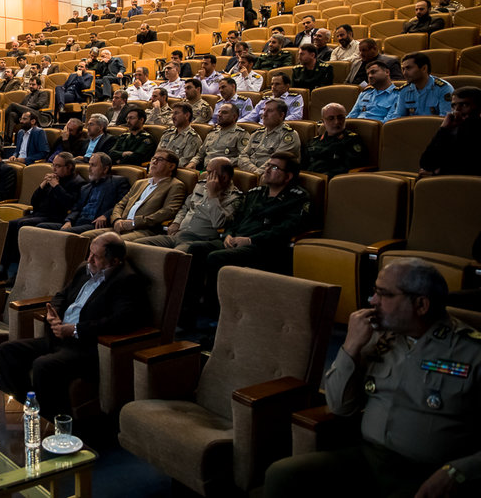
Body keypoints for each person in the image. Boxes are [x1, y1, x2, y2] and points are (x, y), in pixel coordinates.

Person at [264, 259, 481, 498]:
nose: (372, 301)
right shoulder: (376, 336)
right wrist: (351, 346)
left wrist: (458, 472)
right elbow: (340, 407)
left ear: (421, 304)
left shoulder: (471, 352)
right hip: (369, 458)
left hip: (428, 472)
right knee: (282, 474)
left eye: (383, 294)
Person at [0, 232, 146, 419]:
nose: (89, 259)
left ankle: (49, 426)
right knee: (6, 351)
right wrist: (54, 313)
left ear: (114, 262)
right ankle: (20, 412)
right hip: (58, 337)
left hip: (85, 347)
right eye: (89, 253)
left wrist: (75, 330)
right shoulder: (85, 268)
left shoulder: (127, 281)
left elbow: (121, 322)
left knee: (43, 365)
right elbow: (61, 295)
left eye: (96, 257)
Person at [183, 152, 309, 322]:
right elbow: (236, 220)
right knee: (196, 248)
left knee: (215, 258)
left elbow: (286, 229)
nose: (267, 169)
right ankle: (188, 309)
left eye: (274, 167)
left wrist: (251, 240)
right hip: (236, 242)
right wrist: (228, 235)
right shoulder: (255, 193)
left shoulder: (297, 197)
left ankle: (215, 315)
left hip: (263, 247)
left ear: (288, 176)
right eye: (267, 165)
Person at [0, 152, 83, 280]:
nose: (54, 169)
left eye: (58, 166)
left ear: (69, 167)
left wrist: (56, 186)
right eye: (53, 165)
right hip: (40, 214)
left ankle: (16, 269)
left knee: (23, 225)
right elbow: (34, 202)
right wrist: (42, 186)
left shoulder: (77, 182)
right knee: (12, 224)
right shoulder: (53, 179)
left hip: (56, 217)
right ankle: (3, 266)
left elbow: (69, 204)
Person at [136, 157, 242, 251]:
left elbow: (218, 223)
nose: (206, 176)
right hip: (178, 235)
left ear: (224, 177)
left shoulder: (235, 197)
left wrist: (212, 195)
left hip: (197, 241)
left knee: (173, 256)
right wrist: (176, 222)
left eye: (210, 173)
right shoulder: (200, 185)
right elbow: (186, 207)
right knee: (135, 246)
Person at [85, 149, 186, 240]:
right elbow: (121, 204)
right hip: (120, 226)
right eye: (153, 158)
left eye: (160, 159)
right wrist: (117, 219)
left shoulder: (176, 185)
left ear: (171, 166)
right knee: (85, 237)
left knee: (108, 242)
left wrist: (134, 223)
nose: (154, 162)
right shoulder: (140, 183)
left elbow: (167, 212)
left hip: (144, 230)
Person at [419, 85, 481, 176]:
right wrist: (443, 129)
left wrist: (437, 173)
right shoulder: (451, 130)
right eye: (453, 106)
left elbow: (471, 168)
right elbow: (426, 163)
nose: (457, 110)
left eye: (464, 105)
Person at [386, 52, 455, 121]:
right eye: (403, 69)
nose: (404, 73)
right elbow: (398, 117)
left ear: (424, 68)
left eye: (408, 68)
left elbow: (446, 119)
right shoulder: (404, 90)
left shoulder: (443, 88)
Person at [239, 99, 302, 173]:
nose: (264, 114)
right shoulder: (257, 133)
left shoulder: (289, 136)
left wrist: (257, 174)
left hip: (272, 177)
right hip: (252, 174)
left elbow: (277, 163)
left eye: (270, 111)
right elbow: (242, 156)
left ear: (281, 115)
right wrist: (253, 171)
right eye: (264, 110)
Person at [305, 103, 368, 178]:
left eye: (340, 118)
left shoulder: (351, 140)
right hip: (309, 181)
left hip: (333, 181)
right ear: (323, 121)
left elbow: (350, 167)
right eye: (331, 118)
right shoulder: (313, 142)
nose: (337, 122)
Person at [191, 103, 250, 169]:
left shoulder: (241, 134)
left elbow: (243, 157)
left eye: (224, 113)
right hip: (205, 170)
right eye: (219, 112)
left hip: (222, 171)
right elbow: (200, 154)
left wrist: (222, 164)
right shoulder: (212, 133)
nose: (219, 115)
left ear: (234, 116)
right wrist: (193, 162)